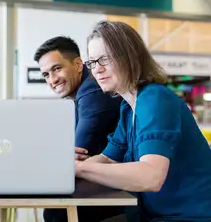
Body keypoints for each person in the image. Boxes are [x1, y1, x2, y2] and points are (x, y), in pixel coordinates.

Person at [76, 20, 211, 222]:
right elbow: (108, 159)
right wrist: (66, 169)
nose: (97, 69)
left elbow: (151, 177)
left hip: (189, 216)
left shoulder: (155, 99)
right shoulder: (128, 107)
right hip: (152, 215)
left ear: (130, 56)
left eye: (104, 59)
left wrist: (79, 168)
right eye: (92, 62)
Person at [33, 36, 124, 222]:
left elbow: (79, 150)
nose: (52, 80)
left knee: (56, 211)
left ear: (78, 64)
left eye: (57, 69)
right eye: (46, 75)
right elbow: (66, 149)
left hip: (127, 183)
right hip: (109, 174)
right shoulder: (79, 95)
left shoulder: (92, 92)